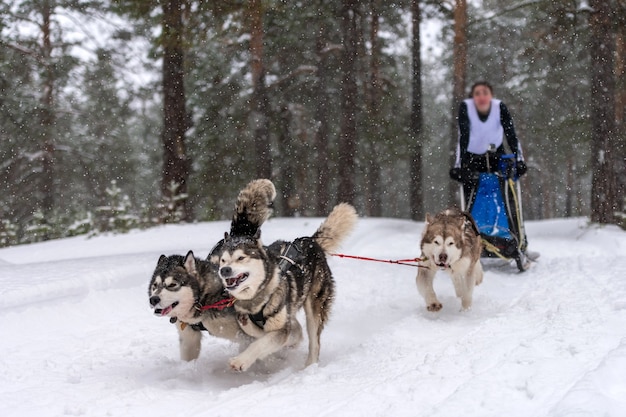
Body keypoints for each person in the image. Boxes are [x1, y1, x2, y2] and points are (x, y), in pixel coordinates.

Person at [450, 81, 527, 202]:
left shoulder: (499, 107)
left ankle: (509, 217)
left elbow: (511, 134)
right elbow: (463, 136)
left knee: (507, 182)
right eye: (477, 94)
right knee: (470, 185)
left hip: (496, 153)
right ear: (473, 97)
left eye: (485, 93)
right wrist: (459, 166)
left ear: (491, 96)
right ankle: (471, 216)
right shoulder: (466, 107)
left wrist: (519, 160)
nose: (481, 97)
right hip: (472, 156)